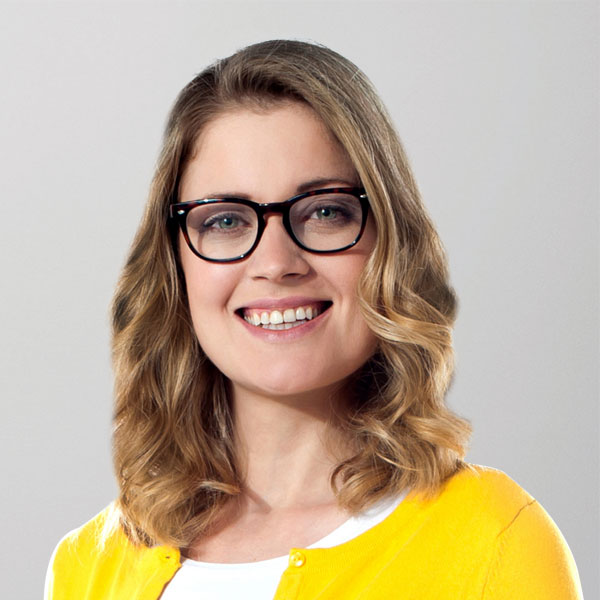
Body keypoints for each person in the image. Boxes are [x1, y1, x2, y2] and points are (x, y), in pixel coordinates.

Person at [45, 40, 583, 599]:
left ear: (390, 244)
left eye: (326, 211)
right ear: (174, 263)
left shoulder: (493, 542)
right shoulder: (87, 566)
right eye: (225, 220)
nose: (276, 263)